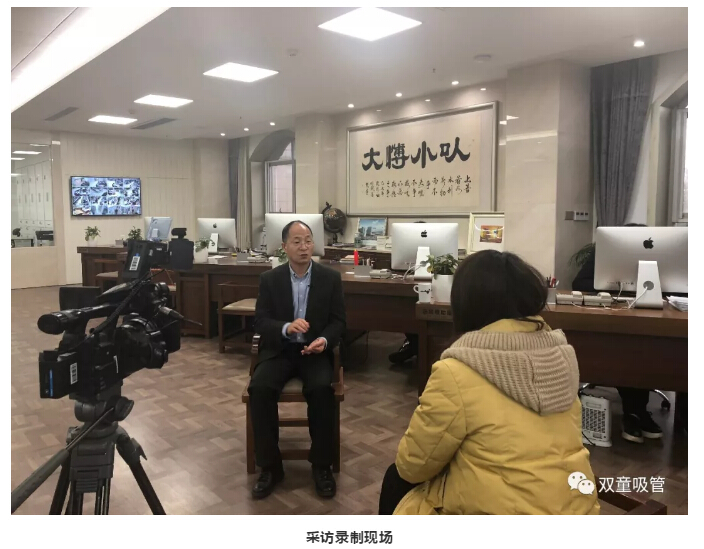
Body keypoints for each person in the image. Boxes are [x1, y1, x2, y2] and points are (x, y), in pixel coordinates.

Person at [379, 250, 599, 515]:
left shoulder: (456, 371)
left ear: (466, 304)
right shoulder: (562, 357)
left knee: (396, 479)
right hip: (577, 509)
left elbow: (413, 465)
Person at [249, 220, 346, 499]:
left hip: (313, 352)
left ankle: (321, 466)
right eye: (297, 242)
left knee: (321, 390)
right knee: (260, 389)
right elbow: (260, 321)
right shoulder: (270, 279)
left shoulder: (330, 278)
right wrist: (285, 327)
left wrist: (323, 340)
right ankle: (270, 467)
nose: (304, 247)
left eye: (308, 241)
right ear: (284, 247)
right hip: (280, 351)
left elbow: (339, 322)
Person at [572, 223, 663, 443]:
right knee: (628, 349)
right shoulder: (604, 252)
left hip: (655, 316)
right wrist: (619, 286)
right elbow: (580, 282)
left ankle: (637, 412)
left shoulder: (659, 253)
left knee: (648, 349)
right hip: (616, 318)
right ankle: (634, 413)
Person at [388, 221, 424, 364]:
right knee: (404, 309)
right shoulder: (403, 257)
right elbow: (396, 268)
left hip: (431, 287)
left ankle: (415, 345)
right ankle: (414, 344)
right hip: (407, 287)